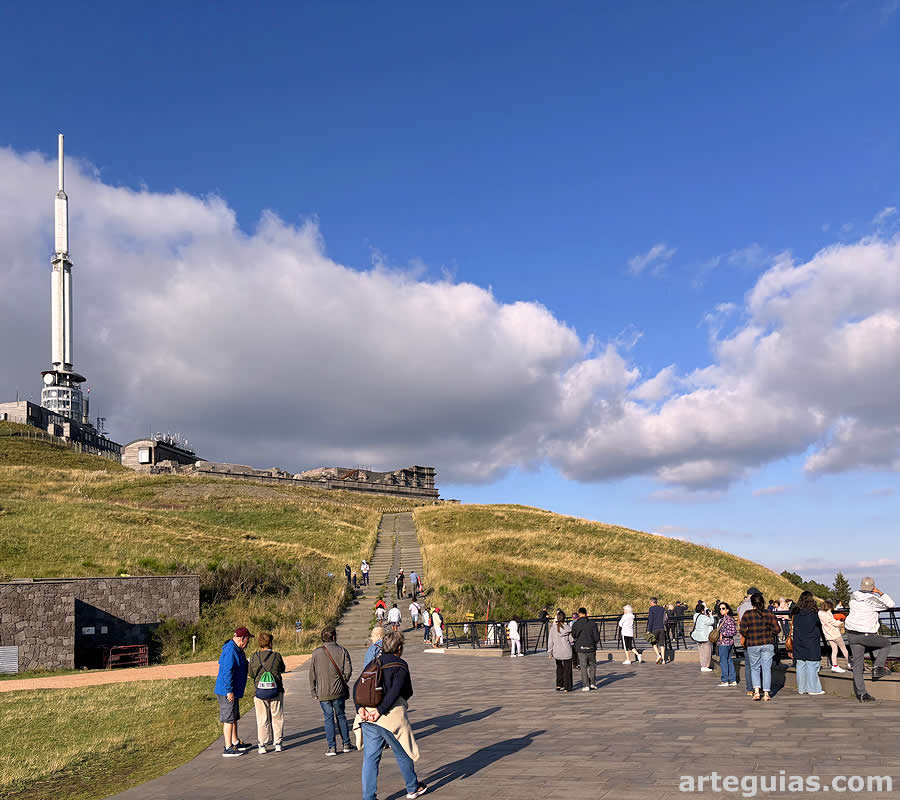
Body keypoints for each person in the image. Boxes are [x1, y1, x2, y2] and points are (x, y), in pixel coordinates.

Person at [352, 631, 427, 800]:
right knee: (402, 751)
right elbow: (402, 691)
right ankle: (413, 787)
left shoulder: (373, 662)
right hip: (388, 718)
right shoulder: (400, 665)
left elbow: (357, 686)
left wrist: (359, 708)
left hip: (367, 716)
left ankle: (368, 797)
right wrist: (381, 710)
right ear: (399, 648)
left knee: (370, 758)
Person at [844, 577, 895, 702]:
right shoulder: (874, 600)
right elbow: (890, 604)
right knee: (886, 643)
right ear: (873, 587)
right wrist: (880, 593)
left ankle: (862, 694)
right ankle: (877, 667)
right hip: (866, 634)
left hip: (851, 634)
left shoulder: (853, 597)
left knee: (857, 665)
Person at [309, 625, 353, 756]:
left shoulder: (316, 653)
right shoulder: (342, 651)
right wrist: (343, 680)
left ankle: (331, 747)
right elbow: (348, 670)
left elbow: (312, 673)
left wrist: (313, 690)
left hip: (322, 692)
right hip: (338, 690)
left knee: (328, 718)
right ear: (334, 637)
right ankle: (346, 743)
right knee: (341, 716)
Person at [215, 626, 254, 757]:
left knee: (234, 716)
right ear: (242, 639)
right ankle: (228, 747)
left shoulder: (238, 650)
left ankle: (235, 741)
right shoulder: (231, 650)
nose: (248, 642)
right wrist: (229, 691)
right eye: (247, 639)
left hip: (234, 690)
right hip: (227, 691)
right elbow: (227, 671)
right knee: (228, 718)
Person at [739, 592, 780, 702]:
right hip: (767, 643)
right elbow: (777, 629)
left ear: (752, 603)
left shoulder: (748, 614)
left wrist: (749, 635)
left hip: (753, 644)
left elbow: (742, 629)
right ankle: (766, 693)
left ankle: (756, 692)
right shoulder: (770, 614)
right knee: (766, 668)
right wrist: (769, 633)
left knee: (755, 668)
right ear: (763, 602)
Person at [250, 632, 287, 753]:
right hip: (276, 690)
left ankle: (262, 744)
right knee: (277, 717)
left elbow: (250, 673)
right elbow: (282, 669)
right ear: (270, 643)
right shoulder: (277, 656)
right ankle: (278, 743)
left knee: (262, 719)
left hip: (260, 692)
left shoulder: (254, 657)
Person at [790, 591, 825, 696]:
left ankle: (802, 688)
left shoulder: (795, 612)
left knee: (800, 664)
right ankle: (813, 689)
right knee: (812, 665)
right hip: (811, 642)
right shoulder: (813, 613)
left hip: (798, 641)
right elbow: (819, 625)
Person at [737, 587, 761, 694]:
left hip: (746, 638)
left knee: (748, 664)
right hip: (757, 637)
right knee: (758, 664)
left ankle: (749, 688)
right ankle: (758, 686)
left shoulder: (741, 607)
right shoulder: (754, 606)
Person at [570, 607, 601, 690]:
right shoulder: (592, 623)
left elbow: (574, 635)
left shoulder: (576, 624)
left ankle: (586, 685)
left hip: (580, 648)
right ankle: (593, 683)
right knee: (592, 666)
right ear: (586, 614)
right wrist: (593, 642)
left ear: (579, 614)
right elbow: (597, 637)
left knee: (583, 667)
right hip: (591, 647)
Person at [819, 600, 850, 672]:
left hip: (828, 635)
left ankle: (835, 665)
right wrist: (841, 621)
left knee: (834, 650)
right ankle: (850, 662)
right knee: (843, 649)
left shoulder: (820, 613)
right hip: (835, 634)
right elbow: (835, 623)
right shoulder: (828, 614)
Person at [548, 609, 574, 691]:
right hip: (567, 651)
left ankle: (559, 684)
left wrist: (550, 652)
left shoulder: (553, 628)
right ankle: (567, 686)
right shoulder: (568, 628)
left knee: (559, 668)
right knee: (567, 670)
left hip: (557, 651)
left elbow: (550, 641)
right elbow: (571, 640)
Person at [715, 602, 738, 687]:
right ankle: (732, 680)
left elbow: (733, 631)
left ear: (727, 610)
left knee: (724, 661)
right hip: (725, 643)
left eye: (723, 608)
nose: (721, 610)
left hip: (725, 643)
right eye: (720, 609)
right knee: (729, 660)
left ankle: (725, 680)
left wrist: (723, 634)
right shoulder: (722, 619)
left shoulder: (729, 619)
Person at [691, 601, 715, 672]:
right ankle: (706, 666)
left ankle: (702, 665)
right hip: (704, 636)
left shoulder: (695, 616)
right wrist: (710, 615)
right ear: (702, 610)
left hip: (698, 636)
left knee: (701, 652)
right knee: (707, 652)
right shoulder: (704, 617)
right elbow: (711, 622)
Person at [647, 597, 668, 664]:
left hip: (654, 628)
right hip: (662, 628)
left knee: (653, 643)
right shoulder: (662, 608)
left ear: (652, 602)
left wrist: (648, 630)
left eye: (650, 602)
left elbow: (650, 620)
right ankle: (663, 660)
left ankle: (658, 655)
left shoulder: (651, 609)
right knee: (662, 644)